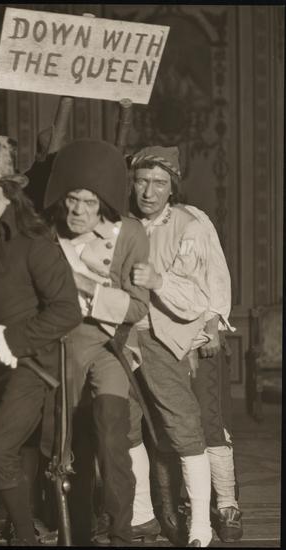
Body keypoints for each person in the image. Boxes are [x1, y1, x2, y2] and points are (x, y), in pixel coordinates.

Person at [0, 134, 82, 546]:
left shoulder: (36, 242)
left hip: (33, 366)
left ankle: (25, 538)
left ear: (8, 192)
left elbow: (68, 311)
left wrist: (8, 339)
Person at [128, 146, 242, 546]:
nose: (149, 191)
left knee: (205, 423)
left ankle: (225, 505)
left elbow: (214, 277)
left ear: (172, 186)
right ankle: (168, 508)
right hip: (145, 338)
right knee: (157, 428)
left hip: (193, 335)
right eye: (141, 181)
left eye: (159, 183)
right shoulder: (125, 224)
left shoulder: (192, 221)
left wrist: (212, 325)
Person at [42, 140, 151, 545]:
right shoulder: (47, 233)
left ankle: (121, 534)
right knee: (63, 444)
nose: (78, 211)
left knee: (112, 439)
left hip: (111, 345)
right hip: (63, 344)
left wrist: (84, 285)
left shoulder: (131, 233)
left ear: (102, 205)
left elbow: (137, 307)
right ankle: (76, 532)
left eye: (89, 203)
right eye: (72, 200)